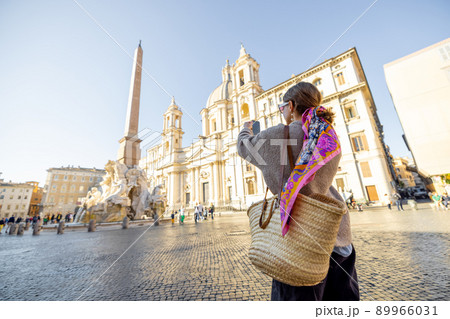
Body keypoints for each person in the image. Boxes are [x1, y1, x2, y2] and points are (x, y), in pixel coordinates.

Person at [237, 81, 359, 301]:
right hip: (337, 233)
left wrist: (245, 129)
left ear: (291, 106)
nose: (281, 111)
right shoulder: (328, 134)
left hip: (299, 240)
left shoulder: (279, 135)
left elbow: (244, 147)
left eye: (282, 106)